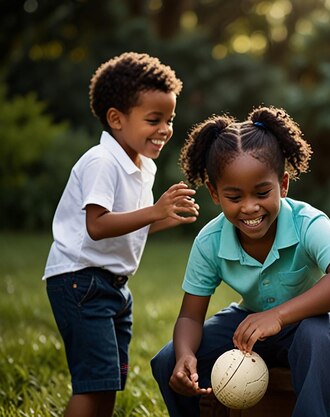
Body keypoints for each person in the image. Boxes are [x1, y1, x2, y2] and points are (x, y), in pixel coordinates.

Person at [150, 106, 330, 417]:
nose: (250, 207)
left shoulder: (307, 222)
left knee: (313, 336)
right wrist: (185, 355)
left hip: (319, 322)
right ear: (214, 193)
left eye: (262, 192)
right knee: (167, 359)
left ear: (284, 185)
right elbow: (190, 318)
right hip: (251, 325)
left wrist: (277, 315)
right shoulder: (210, 241)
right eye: (234, 197)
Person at [43, 52, 199, 417]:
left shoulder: (142, 165)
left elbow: (131, 223)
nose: (165, 129)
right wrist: (155, 210)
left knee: (109, 382)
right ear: (116, 118)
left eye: (170, 119)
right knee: (92, 383)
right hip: (80, 281)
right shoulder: (102, 161)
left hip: (113, 286)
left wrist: (164, 218)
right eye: (153, 119)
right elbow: (97, 225)